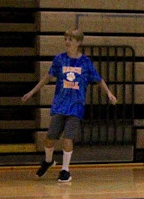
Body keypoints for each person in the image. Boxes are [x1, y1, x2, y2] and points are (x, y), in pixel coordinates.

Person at [21, 29, 117, 183]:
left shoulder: (85, 62)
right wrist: (32, 92)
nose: (67, 42)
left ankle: (65, 170)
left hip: (76, 106)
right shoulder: (59, 59)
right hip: (60, 105)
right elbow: (47, 78)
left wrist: (109, 93)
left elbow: (99, 79)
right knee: (49, 139)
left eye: (70, 39)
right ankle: (48, 161)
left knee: (68, 138)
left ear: (78, 42)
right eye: (66, 39)